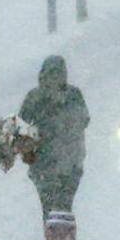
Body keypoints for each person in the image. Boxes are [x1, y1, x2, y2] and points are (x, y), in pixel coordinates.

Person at [18, 54, 90, 216]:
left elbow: (83, 120)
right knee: (58, 211)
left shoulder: (38, 97)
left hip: (64, 165)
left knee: (56, 211)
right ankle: (61, 239)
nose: (55, 78)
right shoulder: (69, 95)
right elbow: (21, 129)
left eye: (58, 73)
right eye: (52, 73)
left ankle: (58, 239)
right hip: (50, 166)